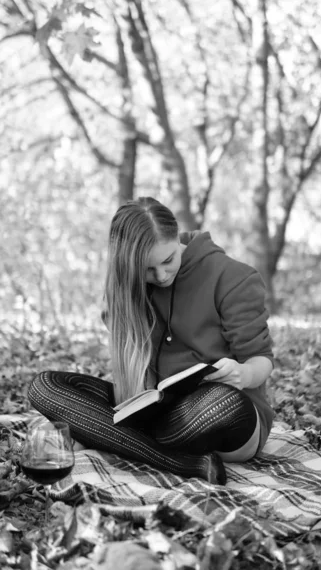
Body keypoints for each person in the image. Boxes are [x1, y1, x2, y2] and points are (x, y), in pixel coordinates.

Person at [28, 197, 274, 486]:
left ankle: (106, 435)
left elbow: (262, 360)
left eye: (168, 260)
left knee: (222, 402)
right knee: (44, 387)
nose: (161, 276)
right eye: (147, 270)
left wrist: (243, 374)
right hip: (156, 412)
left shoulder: (233, 277)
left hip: (221, 415)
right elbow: (131, 387)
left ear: (176, 236)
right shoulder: (128, 288)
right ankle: (182, 461)